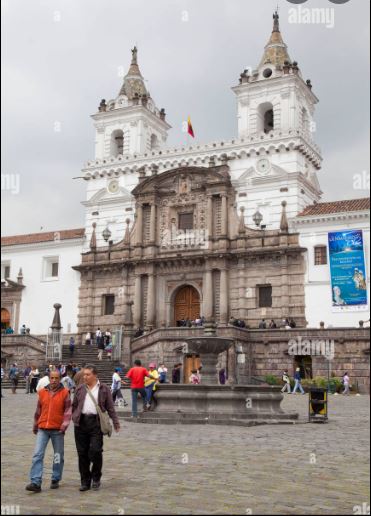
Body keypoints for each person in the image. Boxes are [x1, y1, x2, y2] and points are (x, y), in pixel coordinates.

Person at [72, 365, 120, 491]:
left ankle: (96, 477)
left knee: (95, 451)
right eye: (84, 374)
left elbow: (110, 407)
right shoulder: (80, 388)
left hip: (96, 423)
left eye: (88, 374)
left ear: (95, 375)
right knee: (82, 454)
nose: (85, 377)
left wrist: (115, 422)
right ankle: (85, 481)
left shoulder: (104, 389)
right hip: (81, 423)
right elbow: (74, 405)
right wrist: (74, 417)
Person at [25, 369, 72, 493]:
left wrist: (64, 426)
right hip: (43, 429)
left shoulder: (65, 393)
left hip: (57, 430)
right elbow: (38, 411)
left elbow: (68, 412)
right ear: (49, 378)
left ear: (60, 379)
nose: (54, 380)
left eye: (57, 378)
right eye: (52, 378)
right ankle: (35, 482)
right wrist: (35, 425)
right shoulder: (42, 392)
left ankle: (55, 478)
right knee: (37, 455)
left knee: (58, 456)